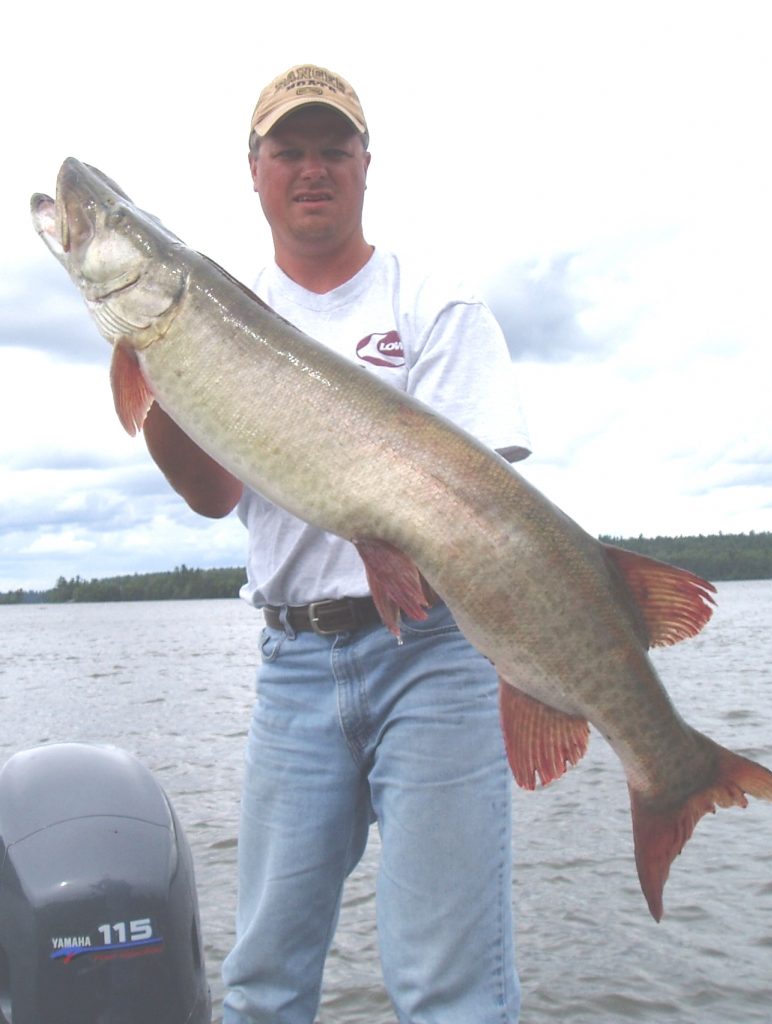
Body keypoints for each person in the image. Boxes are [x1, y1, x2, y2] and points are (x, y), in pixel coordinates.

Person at [143, 63, 531, 1024]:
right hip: (293, 664)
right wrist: (156, 369)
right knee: (263, 981)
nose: (311, 168)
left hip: (436, 656)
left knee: (449, 990)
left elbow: (478, 510)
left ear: (365, 164)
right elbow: (212, 495)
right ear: (254, 169)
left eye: (332, 149)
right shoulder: (217, 309)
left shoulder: (434, 303)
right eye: (289, 150)